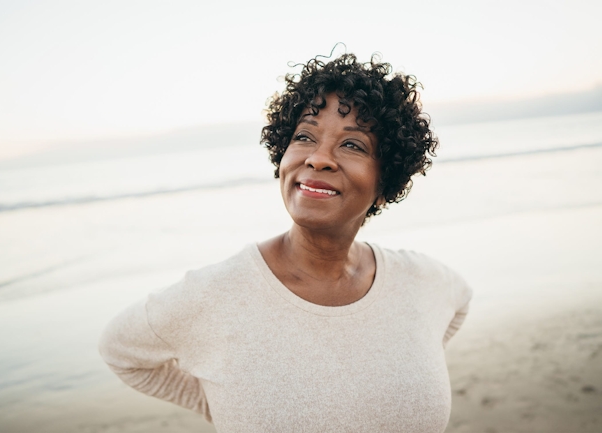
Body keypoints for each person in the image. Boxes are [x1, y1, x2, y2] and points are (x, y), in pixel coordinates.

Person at [97, 52, 472, 432]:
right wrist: (218, 404)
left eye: (353, 145)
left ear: (384, 185)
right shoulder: (217, 294)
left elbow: (459, 302)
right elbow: (121, 350)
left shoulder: (423, 280)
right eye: (305, 137)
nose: (319, 158)